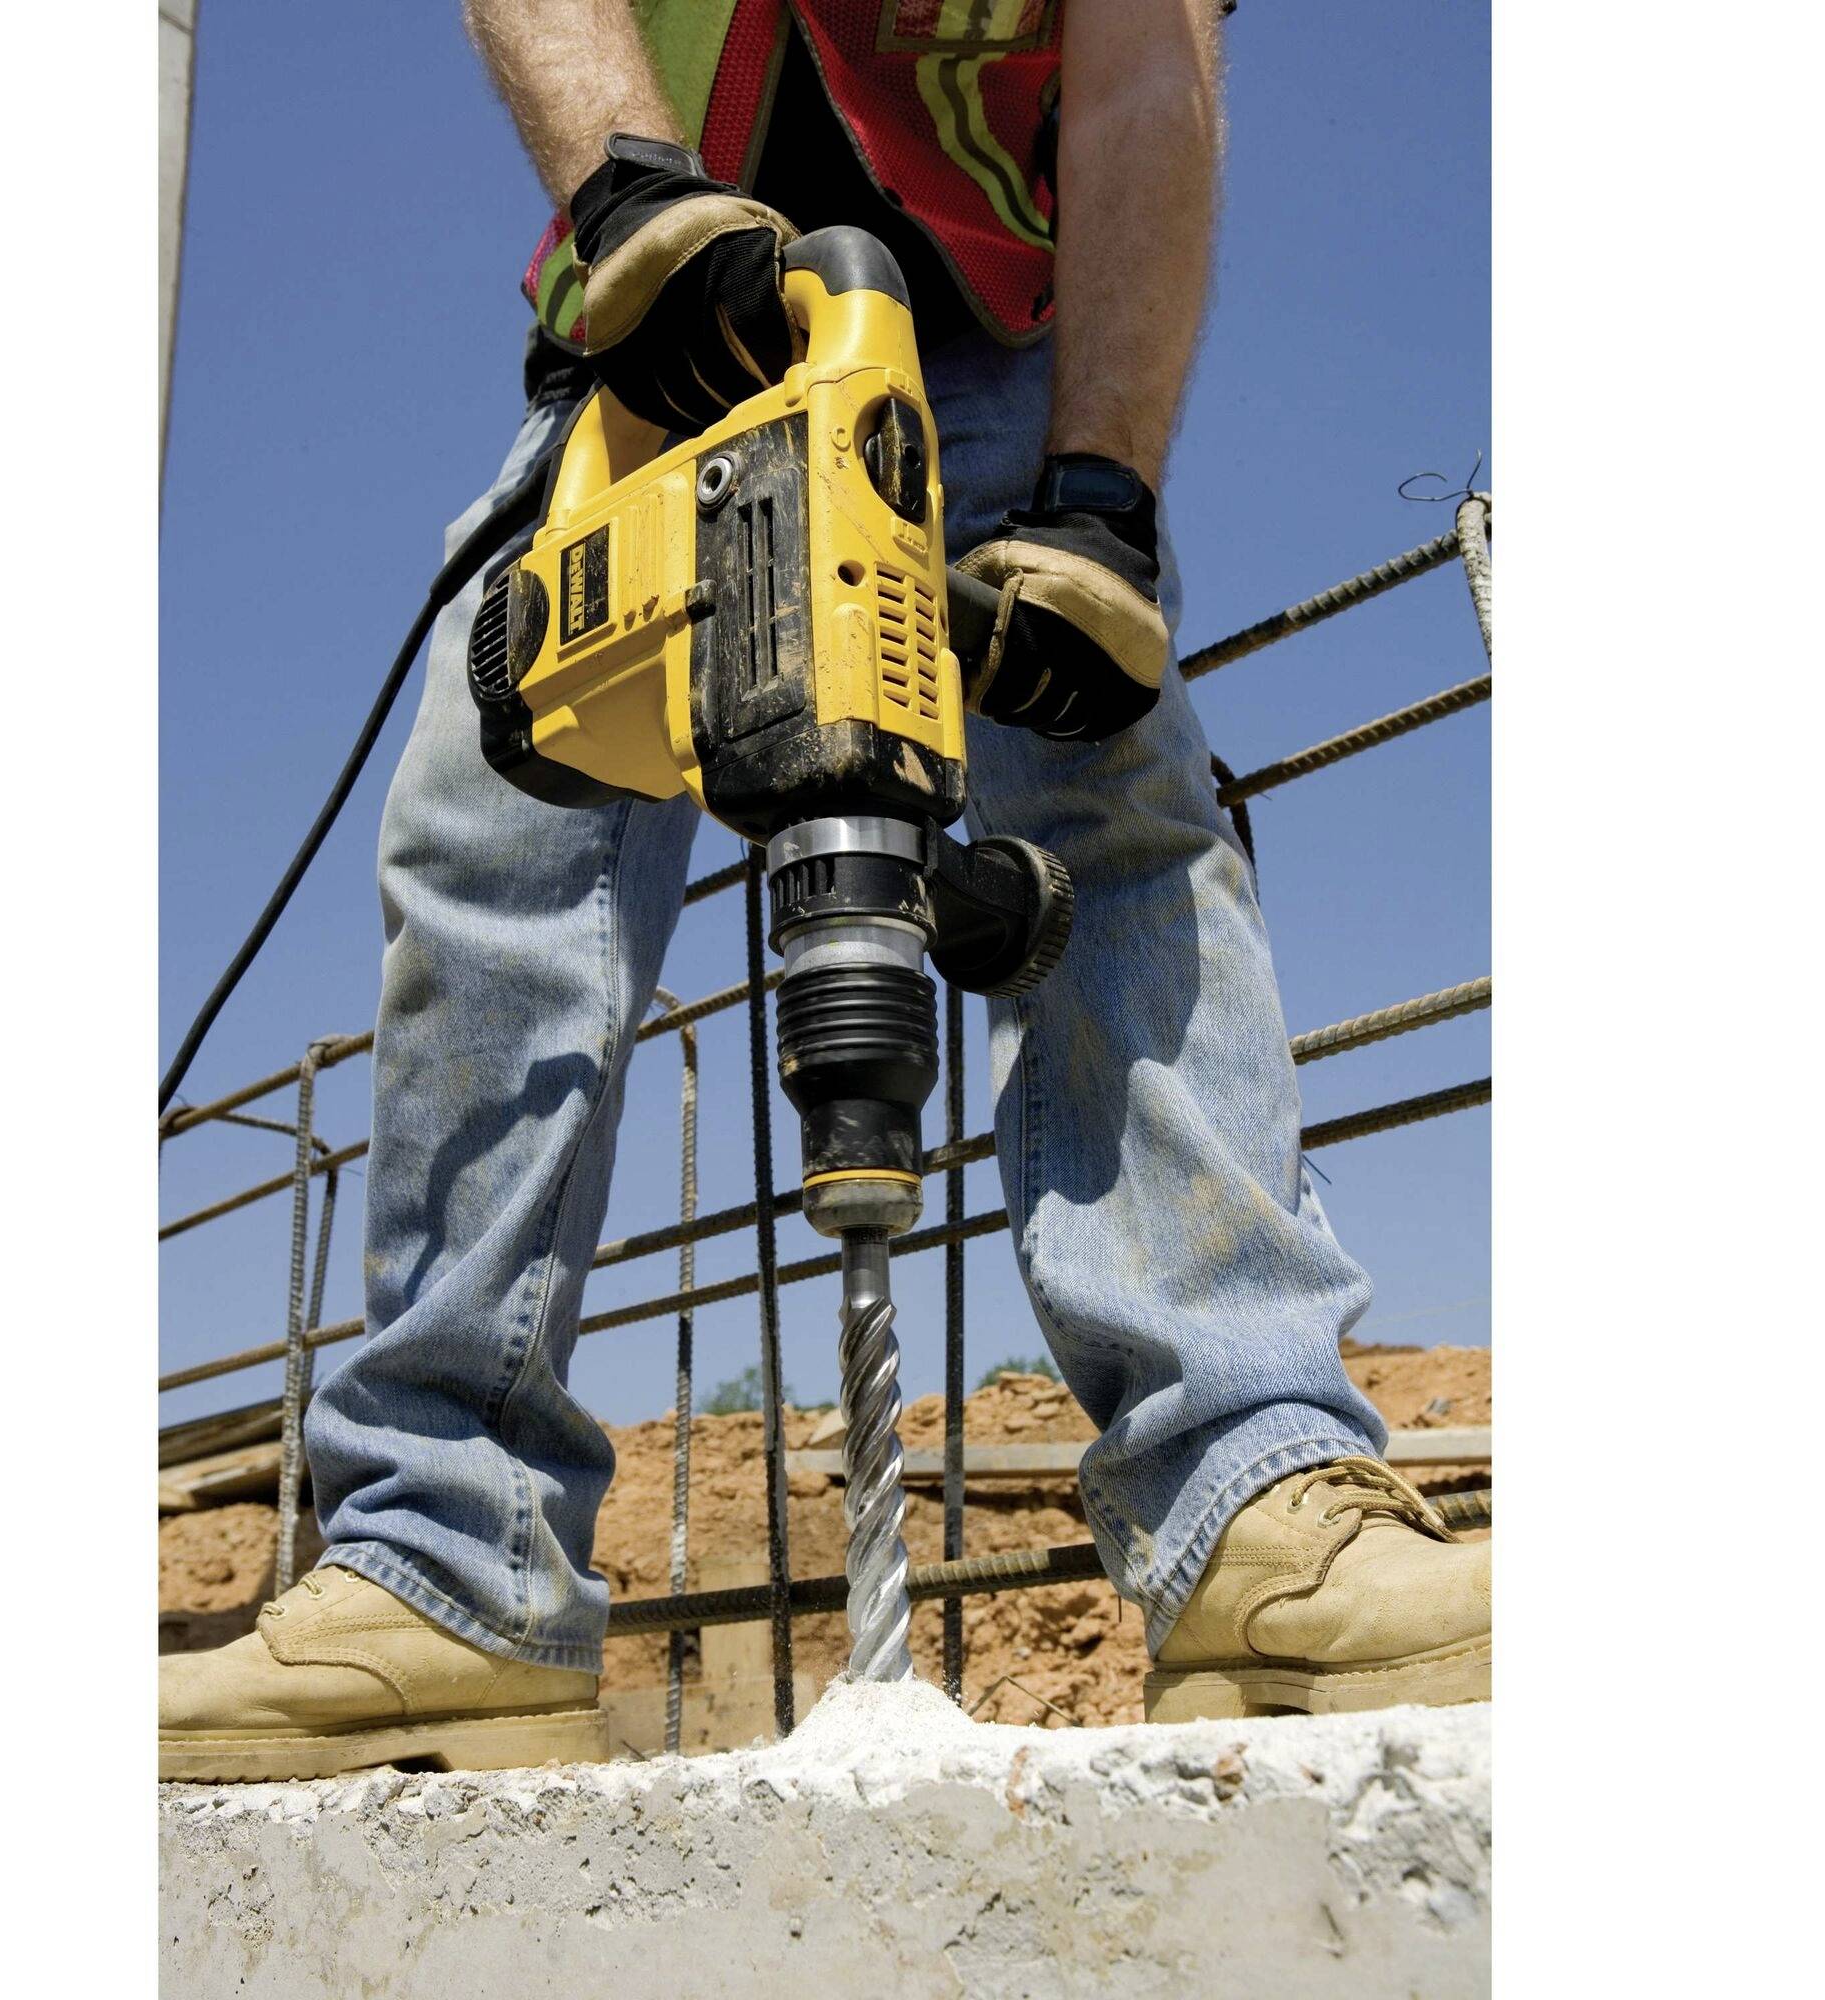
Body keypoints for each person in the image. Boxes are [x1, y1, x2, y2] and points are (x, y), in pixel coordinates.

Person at [160, 0, 1489, 1783]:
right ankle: (437, 1560)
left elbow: (1148, 67)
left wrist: (1104, 494)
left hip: (993, 320)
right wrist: (627, 192)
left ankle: (1255, 1496)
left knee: (1115, 804)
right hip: (661, 312)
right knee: (504, 836)